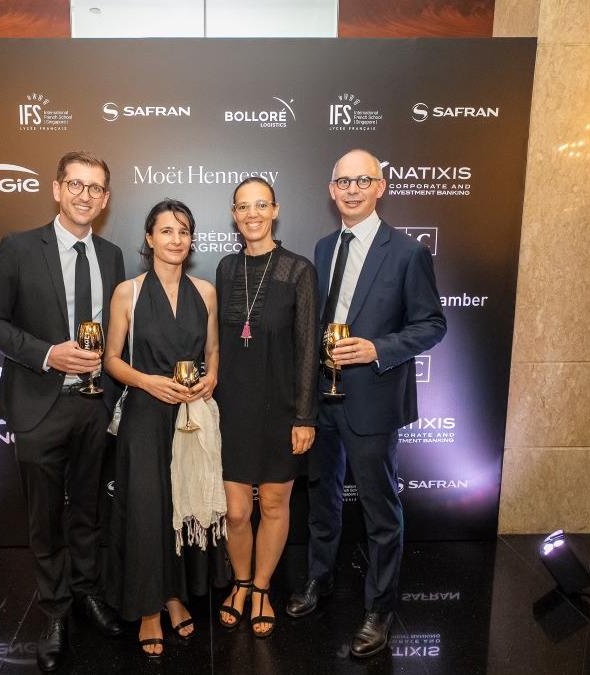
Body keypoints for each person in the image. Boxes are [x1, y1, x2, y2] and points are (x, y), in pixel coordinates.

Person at [286, 149, 446, 659]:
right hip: (322, 397)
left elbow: (432, 324)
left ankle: (380, 608)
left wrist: (378, 349)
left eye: (363, 180)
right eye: (343, 182)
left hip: (373, 400)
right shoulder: (323, 246)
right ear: (331, 190)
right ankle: (319, 578)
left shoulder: (408, 253)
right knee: (322, 497)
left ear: (380, 187)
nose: (352, 189)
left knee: (380, 509)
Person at [0, 151, 126, 672]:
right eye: (76, 184)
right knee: (45, 519)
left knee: (87, 510)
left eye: (95, 188)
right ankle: (55, 611)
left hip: (94, 405)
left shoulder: (111, 256)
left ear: (105, 200)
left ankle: (86, 592)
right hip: (39, 405)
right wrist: (46, 354)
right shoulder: (19, 247)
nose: (85, 195)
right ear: (57, 189)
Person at [103, 199, 222, 657]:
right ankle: (149, 609)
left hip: (191, 414)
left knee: (182, 504)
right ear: (149, 238)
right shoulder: (127, 293)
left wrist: (212, 377)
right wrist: (147, 381)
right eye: (167, 231)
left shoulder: (205, 292)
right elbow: (112, 360)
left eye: (184, 231)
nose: (176, 239)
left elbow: (212, 351)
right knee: (147, 510)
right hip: (145, 414)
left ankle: (174, 596)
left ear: (191, 240)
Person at [213, 177, 318, 638]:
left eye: (260, 205)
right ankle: (239, 581)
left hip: (281, 408)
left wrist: (305, 416)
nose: (251, 214)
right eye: (243, 207)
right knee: (236, 511)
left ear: (274, 210)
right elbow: (217, 342)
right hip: (231, 408)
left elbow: (308, 348)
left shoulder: (298, 270)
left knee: (274, 504)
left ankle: (260, 588)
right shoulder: (225, 268)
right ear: (234, 215)